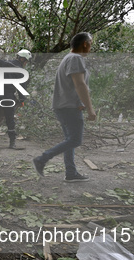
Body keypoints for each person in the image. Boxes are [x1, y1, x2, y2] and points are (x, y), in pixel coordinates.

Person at [32, 32, 97, 182]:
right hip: (69, 107)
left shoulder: (69, 58)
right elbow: (80, 85)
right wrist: (90, 108)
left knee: (70, 140)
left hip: (65, 106)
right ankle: (42, 159)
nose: (91, 47)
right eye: (91, 44)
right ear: (85, 44)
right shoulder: (76, 58)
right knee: (75, 140)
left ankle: (71, 173)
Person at [0, 49, 32, 149]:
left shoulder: (5, 63)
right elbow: (22, 87)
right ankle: (12, 143)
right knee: (10, 119)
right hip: (8, 95)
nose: (26, 63)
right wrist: (22, 100)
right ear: (23, 59)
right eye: (26, 61)